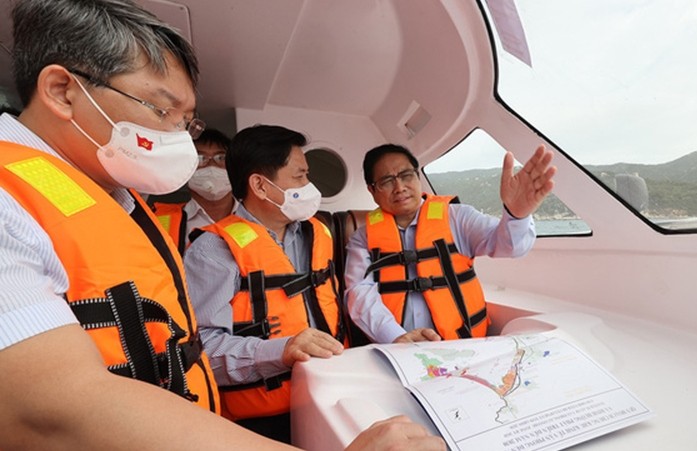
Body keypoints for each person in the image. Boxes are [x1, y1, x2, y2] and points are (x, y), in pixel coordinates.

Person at [0, 1, 444, 450]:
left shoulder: (118, 201)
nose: (178, 137)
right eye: (160, 110)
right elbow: (49, 408)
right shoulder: (8, 202)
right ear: (61, 91)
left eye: (185, 122)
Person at [183, 124, 346, 443]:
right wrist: (281, 350)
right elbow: (201, 351)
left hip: (332, 392)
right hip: (259, 421)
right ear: (260, 185)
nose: (308, 186)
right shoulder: (213, 251)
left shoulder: (318, 233)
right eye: (300, 176)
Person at [345, 143, 556, 344]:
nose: (399, 187)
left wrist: (516, 216)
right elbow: (359, 292)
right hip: (397, 349)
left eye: (406, 175)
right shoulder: (362, 238)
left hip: (462, 346)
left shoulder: (458, 217)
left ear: (418, 177)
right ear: (372, 191)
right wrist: (394, 336)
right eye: (387, 181)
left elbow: (510, 246)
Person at [152, 128, 240, 254]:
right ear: (185, 168)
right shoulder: (158, 221)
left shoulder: (255, 217)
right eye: (200, 158)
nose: (211, 166)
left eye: (221, 158)